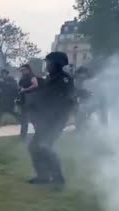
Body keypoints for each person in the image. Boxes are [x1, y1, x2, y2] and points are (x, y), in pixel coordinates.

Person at [27, 52, 75, 188]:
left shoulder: (64, 80)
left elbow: (66, 102)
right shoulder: (51, 78)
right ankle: (43, 176)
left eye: (48, 63)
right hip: (45, 120)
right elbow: (44, 98)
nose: (46, 66)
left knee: (45, 147)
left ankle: (58, 178)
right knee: (36, 147)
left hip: (54, 121)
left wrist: (56, 118)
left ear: (56, 64)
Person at [18, 64, 41, 139]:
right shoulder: (23, 77)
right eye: (21, 70)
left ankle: (39, 133)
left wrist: (25, 89)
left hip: (30, 98)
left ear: (27, 69)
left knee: (33, 117)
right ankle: (23, 134)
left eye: (23, 70)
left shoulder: (31, 75)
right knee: (24, 118)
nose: (22, 71)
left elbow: (35, 84)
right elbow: (20, 85)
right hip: (24, 99)